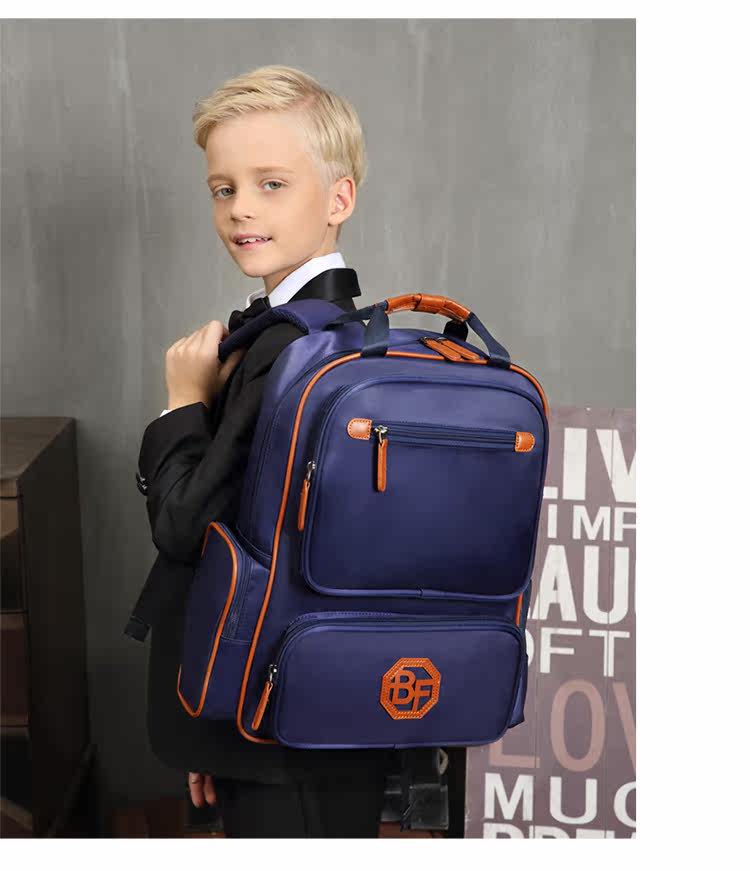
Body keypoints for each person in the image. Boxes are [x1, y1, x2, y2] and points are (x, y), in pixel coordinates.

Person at [126, 64, 398, 838]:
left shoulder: (286, 351)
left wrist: (184, 400)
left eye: (271, 184)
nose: (241, 207)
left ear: (339, 198)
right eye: (224, 188)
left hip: (278, 726)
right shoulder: (345, 333)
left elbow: (186, 527)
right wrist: (214, 731)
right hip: (298, 704)